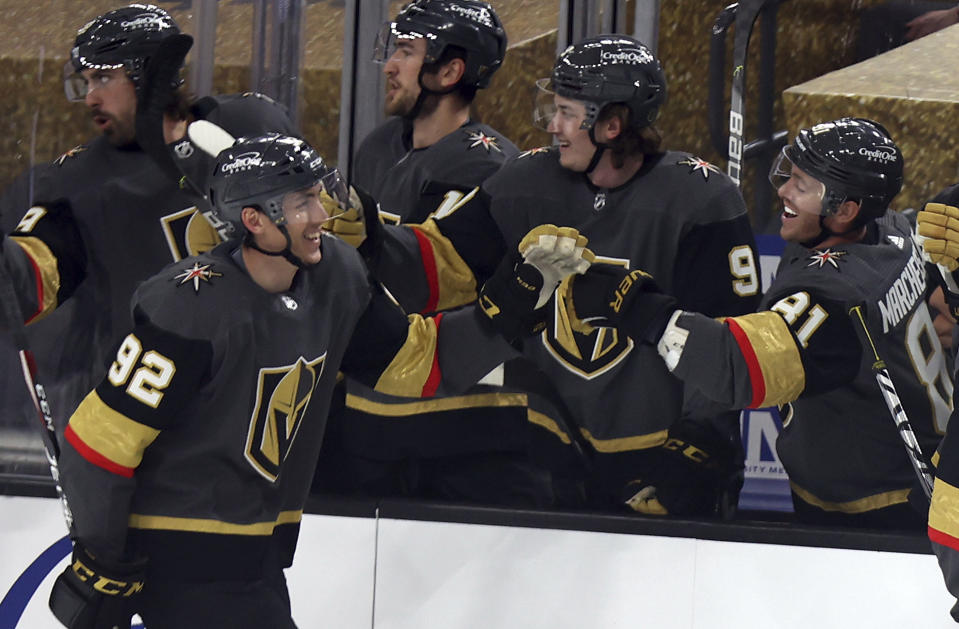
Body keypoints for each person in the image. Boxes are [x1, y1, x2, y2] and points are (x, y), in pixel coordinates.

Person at [43, 131, 591, 629]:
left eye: (318, 194)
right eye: (302, 201)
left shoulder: (335, 275)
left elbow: (418, 365)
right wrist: (102, 558)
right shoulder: (192, 305)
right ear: (254, 221)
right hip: (180, 560)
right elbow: (99, 444)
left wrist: (513, 304)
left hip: (254, 560)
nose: (323, 213)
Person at [332, 35, 761, 516]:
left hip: (656, 466)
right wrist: (372, 235)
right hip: (551, 461)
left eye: (567, 113)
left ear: (612, 124)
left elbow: (725, 342)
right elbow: (439, 264)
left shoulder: (700, 200)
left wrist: (694, 453)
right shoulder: (525, 182)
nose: (552, 126)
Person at [562, 117, 952, 529]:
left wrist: (639, 308)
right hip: (917, 469)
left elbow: (739, 368)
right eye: (790, 175)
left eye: (802, 185)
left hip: (872, 506)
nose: (783, 190)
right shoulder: (890, 230)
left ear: (845, 209)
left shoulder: (834, 296)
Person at [318, 0, 572, 507]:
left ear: (449, 70)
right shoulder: (378, 145)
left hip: (453, 418)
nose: (389, 65)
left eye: (405, 52)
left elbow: (430, 281)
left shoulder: (487, 162)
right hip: (374, 403)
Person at [0, 3, 296, 434]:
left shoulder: (250, 126)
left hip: (265, 405)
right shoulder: (80, 182)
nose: (90, 97)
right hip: (152, 421)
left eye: (103, 77)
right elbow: (32, 271)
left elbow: (322, 240)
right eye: (86, 82)